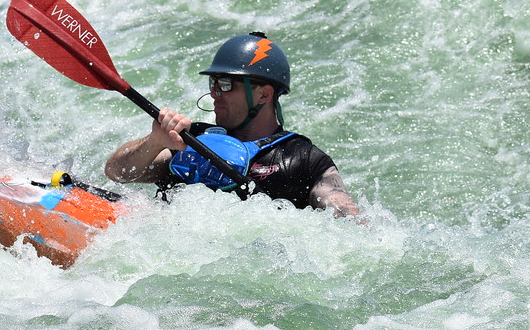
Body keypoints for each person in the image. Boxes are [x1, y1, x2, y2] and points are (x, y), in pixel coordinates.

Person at [104, 32, 360, 218]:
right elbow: (117, 172)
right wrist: (155, 142)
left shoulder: (302, 159)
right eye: (213, 84)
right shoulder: (188, 139)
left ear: (264, 94)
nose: (216, 93)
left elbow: (347, 220)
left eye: (226, 84)